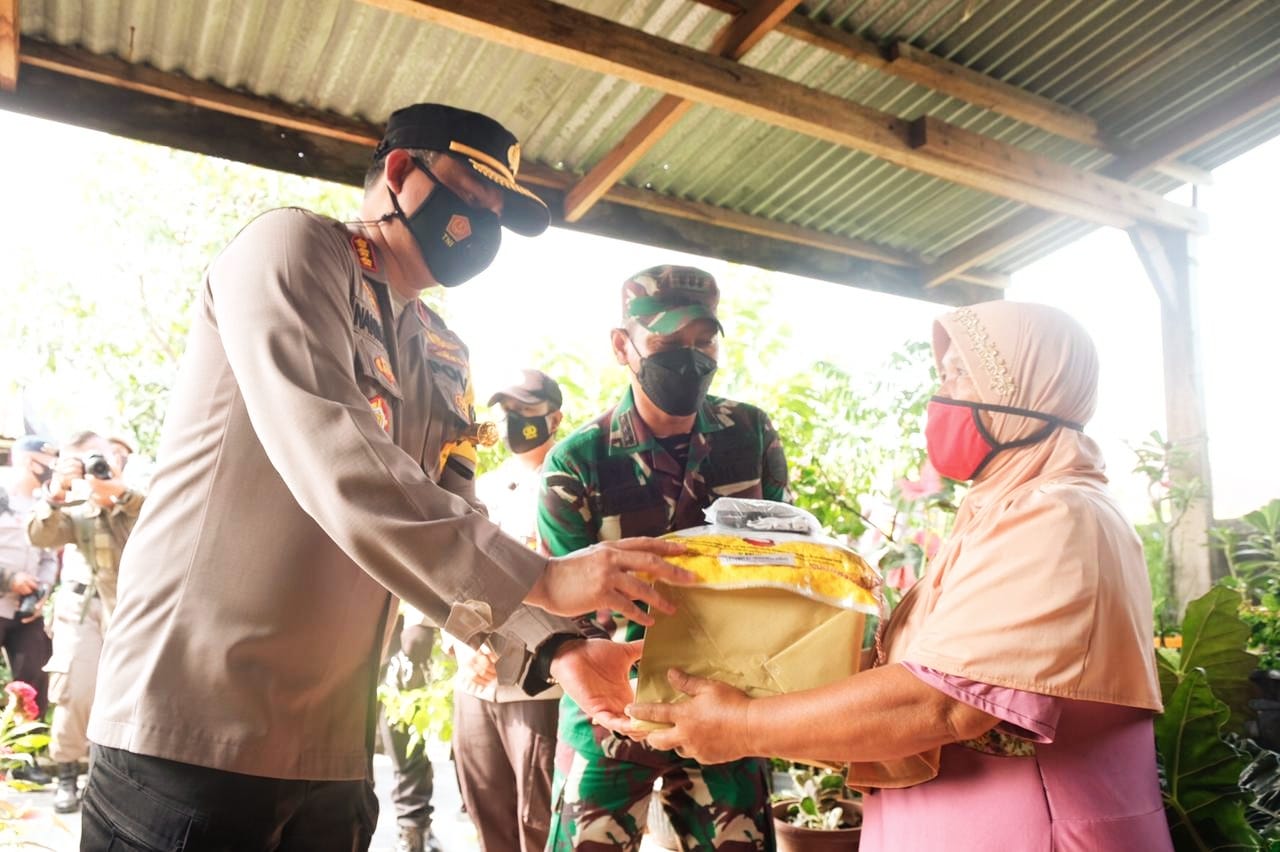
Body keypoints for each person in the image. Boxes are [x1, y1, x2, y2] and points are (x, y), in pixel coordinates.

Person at [81, 103, 693, 852]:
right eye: (473, 197)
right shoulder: (294, 251)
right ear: (401, 172)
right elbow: (339, 461)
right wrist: (549, 578)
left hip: (330, 748)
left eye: (498, 212)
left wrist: (560, 648)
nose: (485, 224)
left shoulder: (445, 351)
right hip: (191, 730)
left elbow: (449, 515)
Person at [630, 301, 1174, 851]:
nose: (941, 397)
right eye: (943, 375)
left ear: (1030, 389)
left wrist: (745, 725)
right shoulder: (1007, 508)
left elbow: (942, 701)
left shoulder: (1057, 514)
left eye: (961, 374)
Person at [538, 266, 791, 851]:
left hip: (724, 702)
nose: (691, 358)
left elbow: (786, 557)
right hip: (614, 707)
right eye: (668, 344)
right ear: (622, 346)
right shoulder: (578, 461)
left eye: (704, 342)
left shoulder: (747, 433)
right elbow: (553, 603)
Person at [450, 369, 565, 852]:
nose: (514, 422)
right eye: (507, 412)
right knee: (487, 820)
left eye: (526, 412)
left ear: (555, 418)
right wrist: (459, 642)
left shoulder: (569, 487)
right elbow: (455, 572)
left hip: (537, 690)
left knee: (538, 824)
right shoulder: (486, 488)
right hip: (475, 682)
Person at [27, 431, 144, 813]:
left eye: (117, 457)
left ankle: (107, 777)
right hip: (81, 609)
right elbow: (41, 536)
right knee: (74, 691)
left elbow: (158, 525)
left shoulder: (138, 499)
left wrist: (120, 495)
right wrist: (57, 492)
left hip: (127, 609)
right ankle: (66, 774)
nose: (108, 463)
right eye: (101, 457)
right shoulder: (75, 501)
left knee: (125, 696)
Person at [0, 435, 59, 785]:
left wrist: (42, 593)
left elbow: (50, 555)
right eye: (43, 460)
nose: (48, 467)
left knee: (33, 680)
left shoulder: (44, 505)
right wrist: (8, 579)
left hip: (27, 612)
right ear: (25, 460)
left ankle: (22, 760)